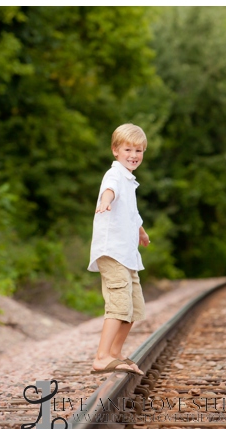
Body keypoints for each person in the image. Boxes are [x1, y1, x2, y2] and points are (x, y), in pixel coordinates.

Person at [88, 123, 151, 375]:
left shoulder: (129, 180)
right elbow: (109, 191)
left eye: (139, 150)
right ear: (115, 150)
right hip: (112, 252)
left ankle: (114, 353)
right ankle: (102, 357)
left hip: (128, 256)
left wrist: (142, 232)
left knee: (133, 308)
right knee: (118, 304)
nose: (134, 155)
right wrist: (105, 201)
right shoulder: (114, 175)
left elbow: (132, 214)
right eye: (128, 149)